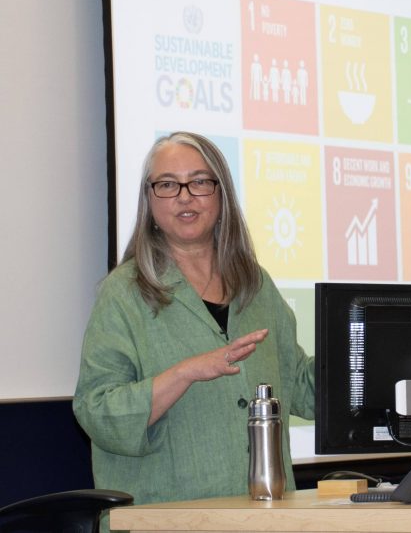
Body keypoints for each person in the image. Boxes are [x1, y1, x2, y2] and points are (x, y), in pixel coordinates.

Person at [73, 131, 314, 519]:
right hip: (167, 517)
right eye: (167, 184)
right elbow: (96, 411)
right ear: (149, 201)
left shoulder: (256, 285)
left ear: (221, 194)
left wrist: (362, 354)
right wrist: (186, 373)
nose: (185, 196)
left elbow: (300, 386)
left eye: (200, 182)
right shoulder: (122, 293)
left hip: (265, 517)